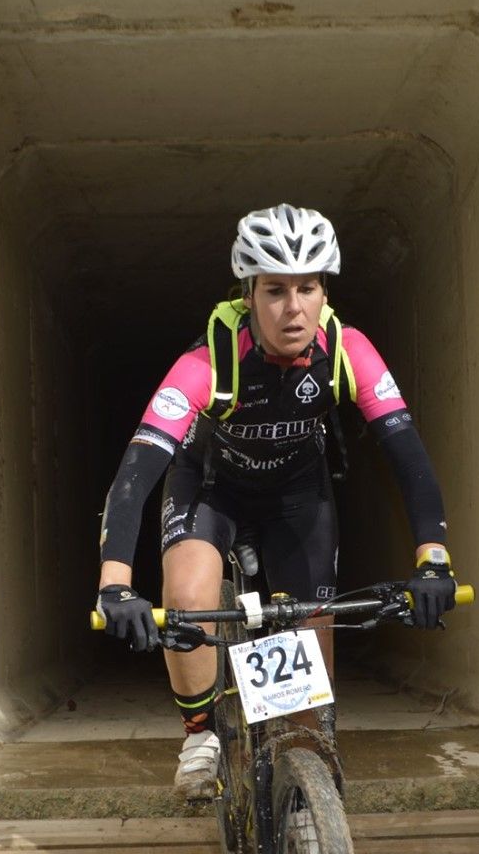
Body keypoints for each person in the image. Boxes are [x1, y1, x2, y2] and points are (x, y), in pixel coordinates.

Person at [95, 203, 455, 799]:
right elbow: (135, 474)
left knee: (311, 637)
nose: (293, 308)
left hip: (296, 494)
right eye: (275, 290)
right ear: (249, 294)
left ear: (323, 292)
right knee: (186, 599)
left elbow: (409, 456)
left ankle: (307, 796)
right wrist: (115, 585)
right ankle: (201, 731)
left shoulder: (347, 349)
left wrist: (434, 559)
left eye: (307, 288)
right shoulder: (207, 362)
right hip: (211, 486)